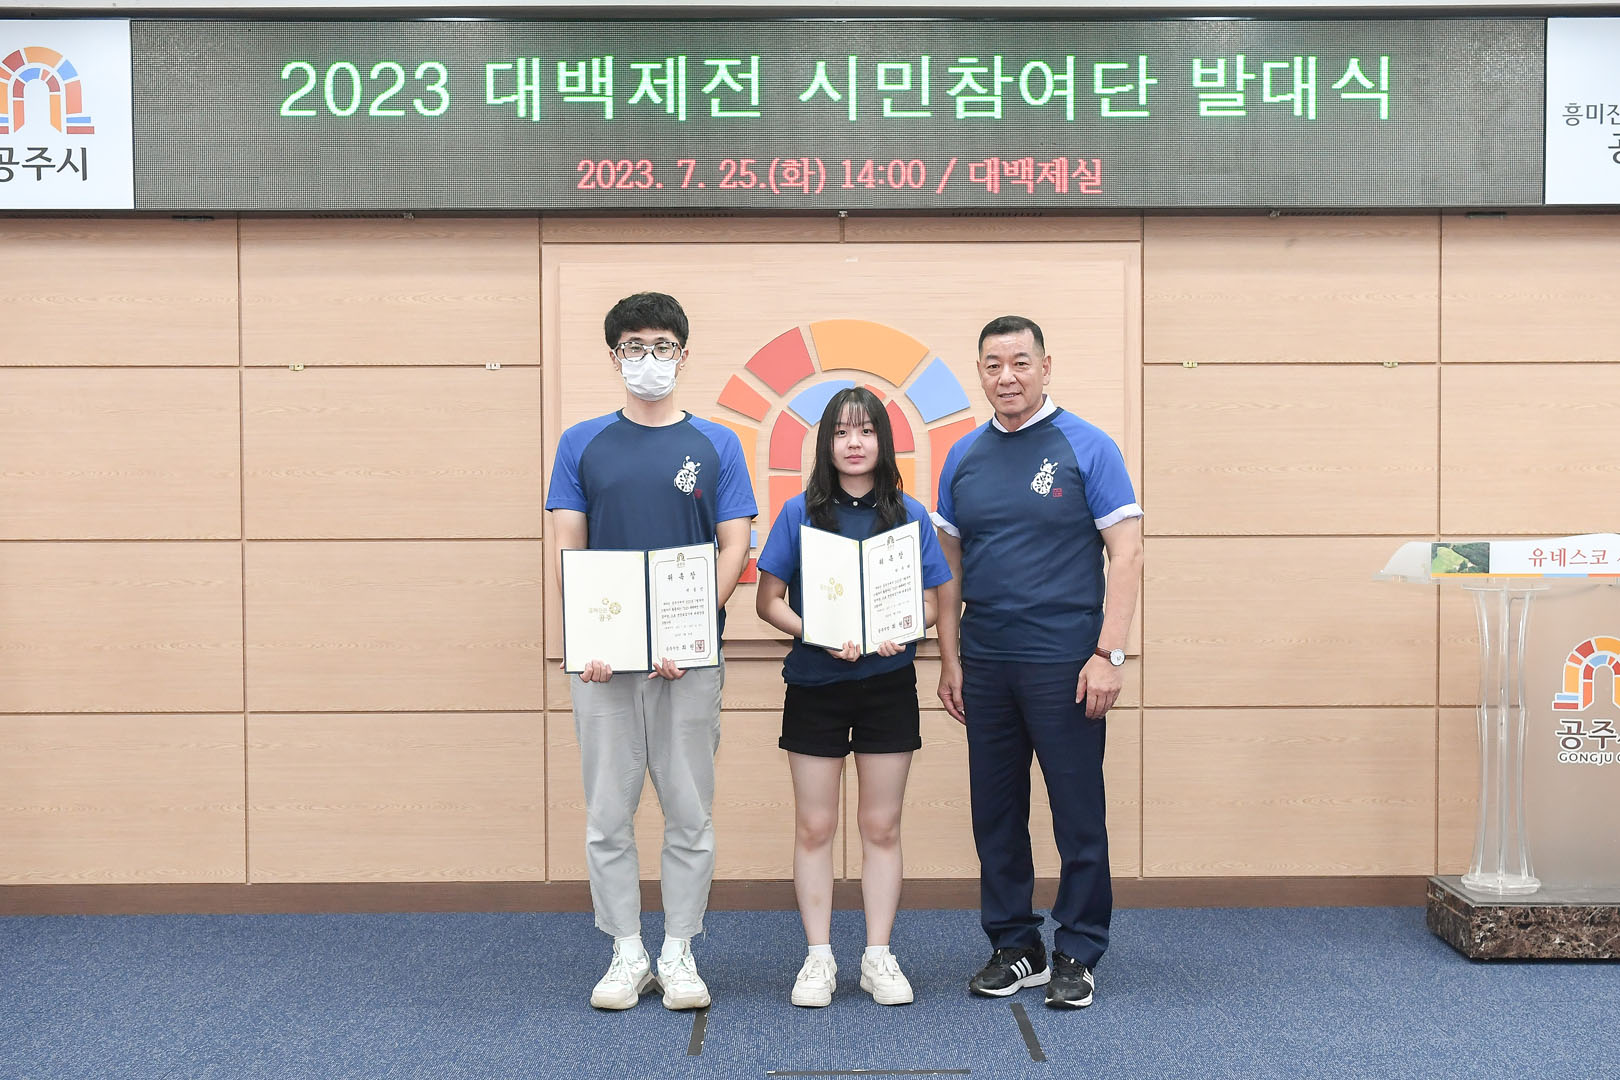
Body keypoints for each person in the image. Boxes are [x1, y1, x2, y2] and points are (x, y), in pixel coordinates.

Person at [546, 292, 757, 1012]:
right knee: (608, 814)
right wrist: (591, 636)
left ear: (683, 355)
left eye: (662, 346)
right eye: (634, 346)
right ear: (615, 358)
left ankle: (679, 950)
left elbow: (735, 546)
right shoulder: (581, 443)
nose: (649, 358)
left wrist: (692, 630)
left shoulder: (718, 444)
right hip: (604, 665)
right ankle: (626, 950)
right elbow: (569, 546)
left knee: (689, 813)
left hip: (688, 661)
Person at [932, 315, 1144, 1010]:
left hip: (1066, 662)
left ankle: (1079, 949)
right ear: (980, 373)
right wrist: (950, 658)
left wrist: (1109, 653)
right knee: (995, 813)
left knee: (1077, 814)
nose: (1007, 377)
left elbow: (1127, 554)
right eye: (993, 365)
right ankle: (1015, 945)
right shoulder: (962, 457)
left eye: (1020, 362)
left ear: (1045, 367)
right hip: (987, 661)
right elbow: (949, 570)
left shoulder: (1089, 446)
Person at [754, 387, 952, 1009]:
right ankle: (818, 957)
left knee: (881, 825)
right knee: (815, 825)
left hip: (887, 685)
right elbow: (768, 601)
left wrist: (907, 627)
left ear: (882, 441)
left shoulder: (910, 515)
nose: (854, 443)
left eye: (865, 431)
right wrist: (816, 631)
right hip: (816, 684)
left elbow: (933, 601)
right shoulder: (800, 513)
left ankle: (877, 955)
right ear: (826, 444)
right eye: (841, 432)